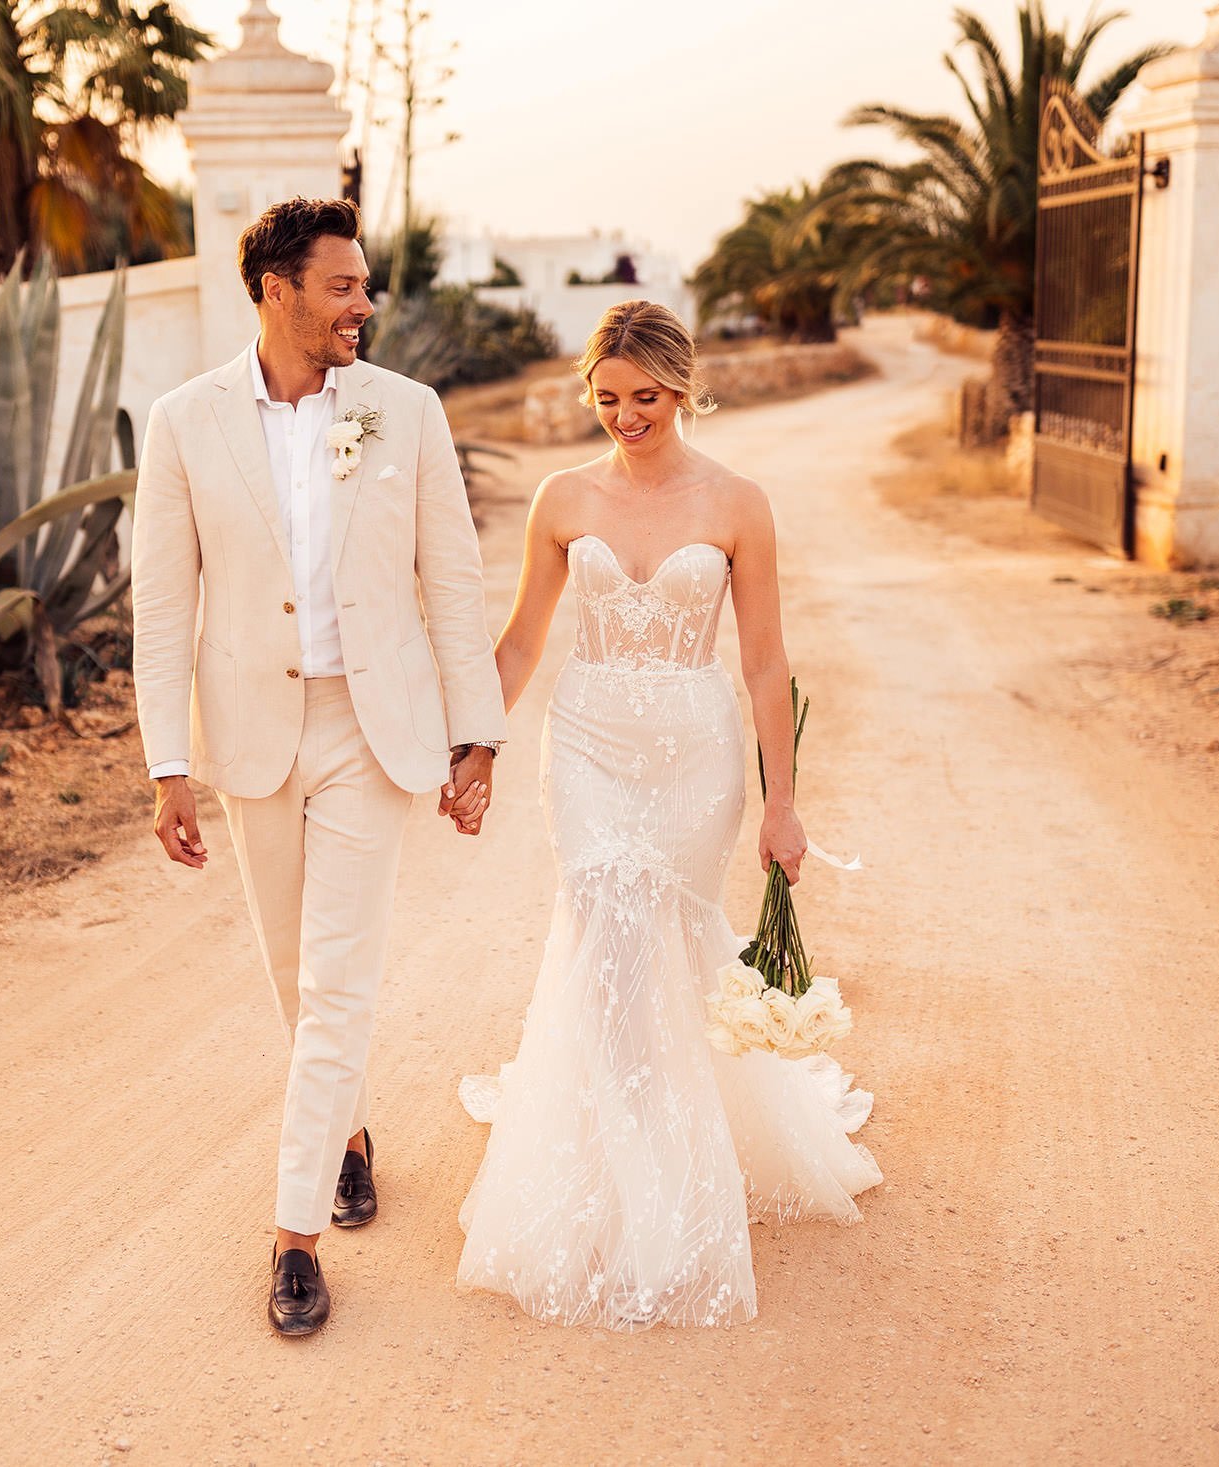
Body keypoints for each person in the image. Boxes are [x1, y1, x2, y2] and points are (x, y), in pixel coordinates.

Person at [456, 300, 880, 1330]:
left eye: (644, 397)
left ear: (681, 389)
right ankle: (632, 1172)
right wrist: (475, 744)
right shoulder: (561, 497)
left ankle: (681, 1148)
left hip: (694, 757)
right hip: (590, 749)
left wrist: (785, 804)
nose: (625, 416)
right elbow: (517, 645)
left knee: (668, 940)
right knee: (606, 926)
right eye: (606, 398)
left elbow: (766, 661)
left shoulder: (737, 504)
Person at [130, 196, 505, 1337]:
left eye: (364, 284)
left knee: (338, 983)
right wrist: (167, 762)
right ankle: (344, 1133)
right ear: (275, 291)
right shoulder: (184, 421)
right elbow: (161, 601)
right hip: (250, 734)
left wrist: (473, 734)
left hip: (369, 731)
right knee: (296, 979)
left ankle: (293, 1238)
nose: (363, 304)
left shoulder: (408, 411)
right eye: (341, 286)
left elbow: (452, 580)